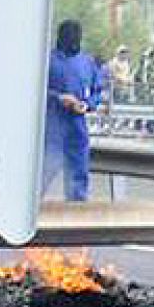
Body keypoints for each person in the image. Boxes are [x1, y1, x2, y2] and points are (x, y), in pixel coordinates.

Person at [44, 20, 109, 202]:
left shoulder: (87, 63)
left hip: (77, 127)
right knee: (44, 171)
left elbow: (97, 91)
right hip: (51, 127)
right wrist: (58, 98)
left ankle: (77, 212)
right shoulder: (47, 61)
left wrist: (86, 105)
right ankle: (33, 209)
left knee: (78, 175)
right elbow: (35, 91)